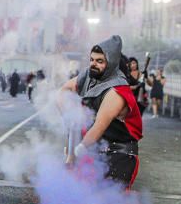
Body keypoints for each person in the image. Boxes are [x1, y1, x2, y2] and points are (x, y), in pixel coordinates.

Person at [60, 35, 143, 189]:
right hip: (97, 152)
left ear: (111, 63)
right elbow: (64, 90)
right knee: (86, 201)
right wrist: (69, 114)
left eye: (100, 61)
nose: (93, 64)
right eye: (92, 59)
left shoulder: (116, 92)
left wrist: (74, 154)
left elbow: (98, 128)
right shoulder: (89, 78)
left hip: (120, 157)